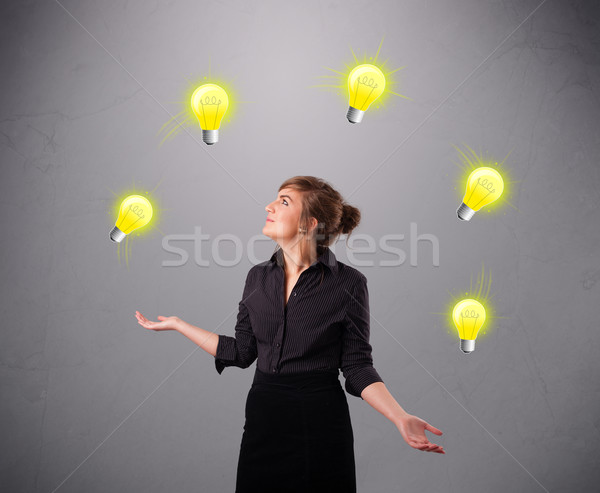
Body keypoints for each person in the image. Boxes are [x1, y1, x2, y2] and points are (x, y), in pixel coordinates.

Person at [136, 176, 445, 493]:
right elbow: (242, 352)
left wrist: (399, 416)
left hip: (320, 422)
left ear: (309, 224)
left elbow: (356, 365)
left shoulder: (349, 283)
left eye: (284, 201)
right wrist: (179, 324)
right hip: (263, 419)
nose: (269, 206)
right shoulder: (257, 277)